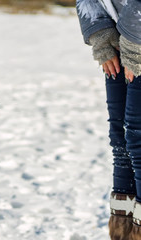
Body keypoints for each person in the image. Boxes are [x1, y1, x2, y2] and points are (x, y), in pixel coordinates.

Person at [76, 0, 141, 239]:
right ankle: (123, 229)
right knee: (121, 138)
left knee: (137, 137)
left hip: (137, 38)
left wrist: (135, 44)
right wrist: (101, 34)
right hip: (118, 37)